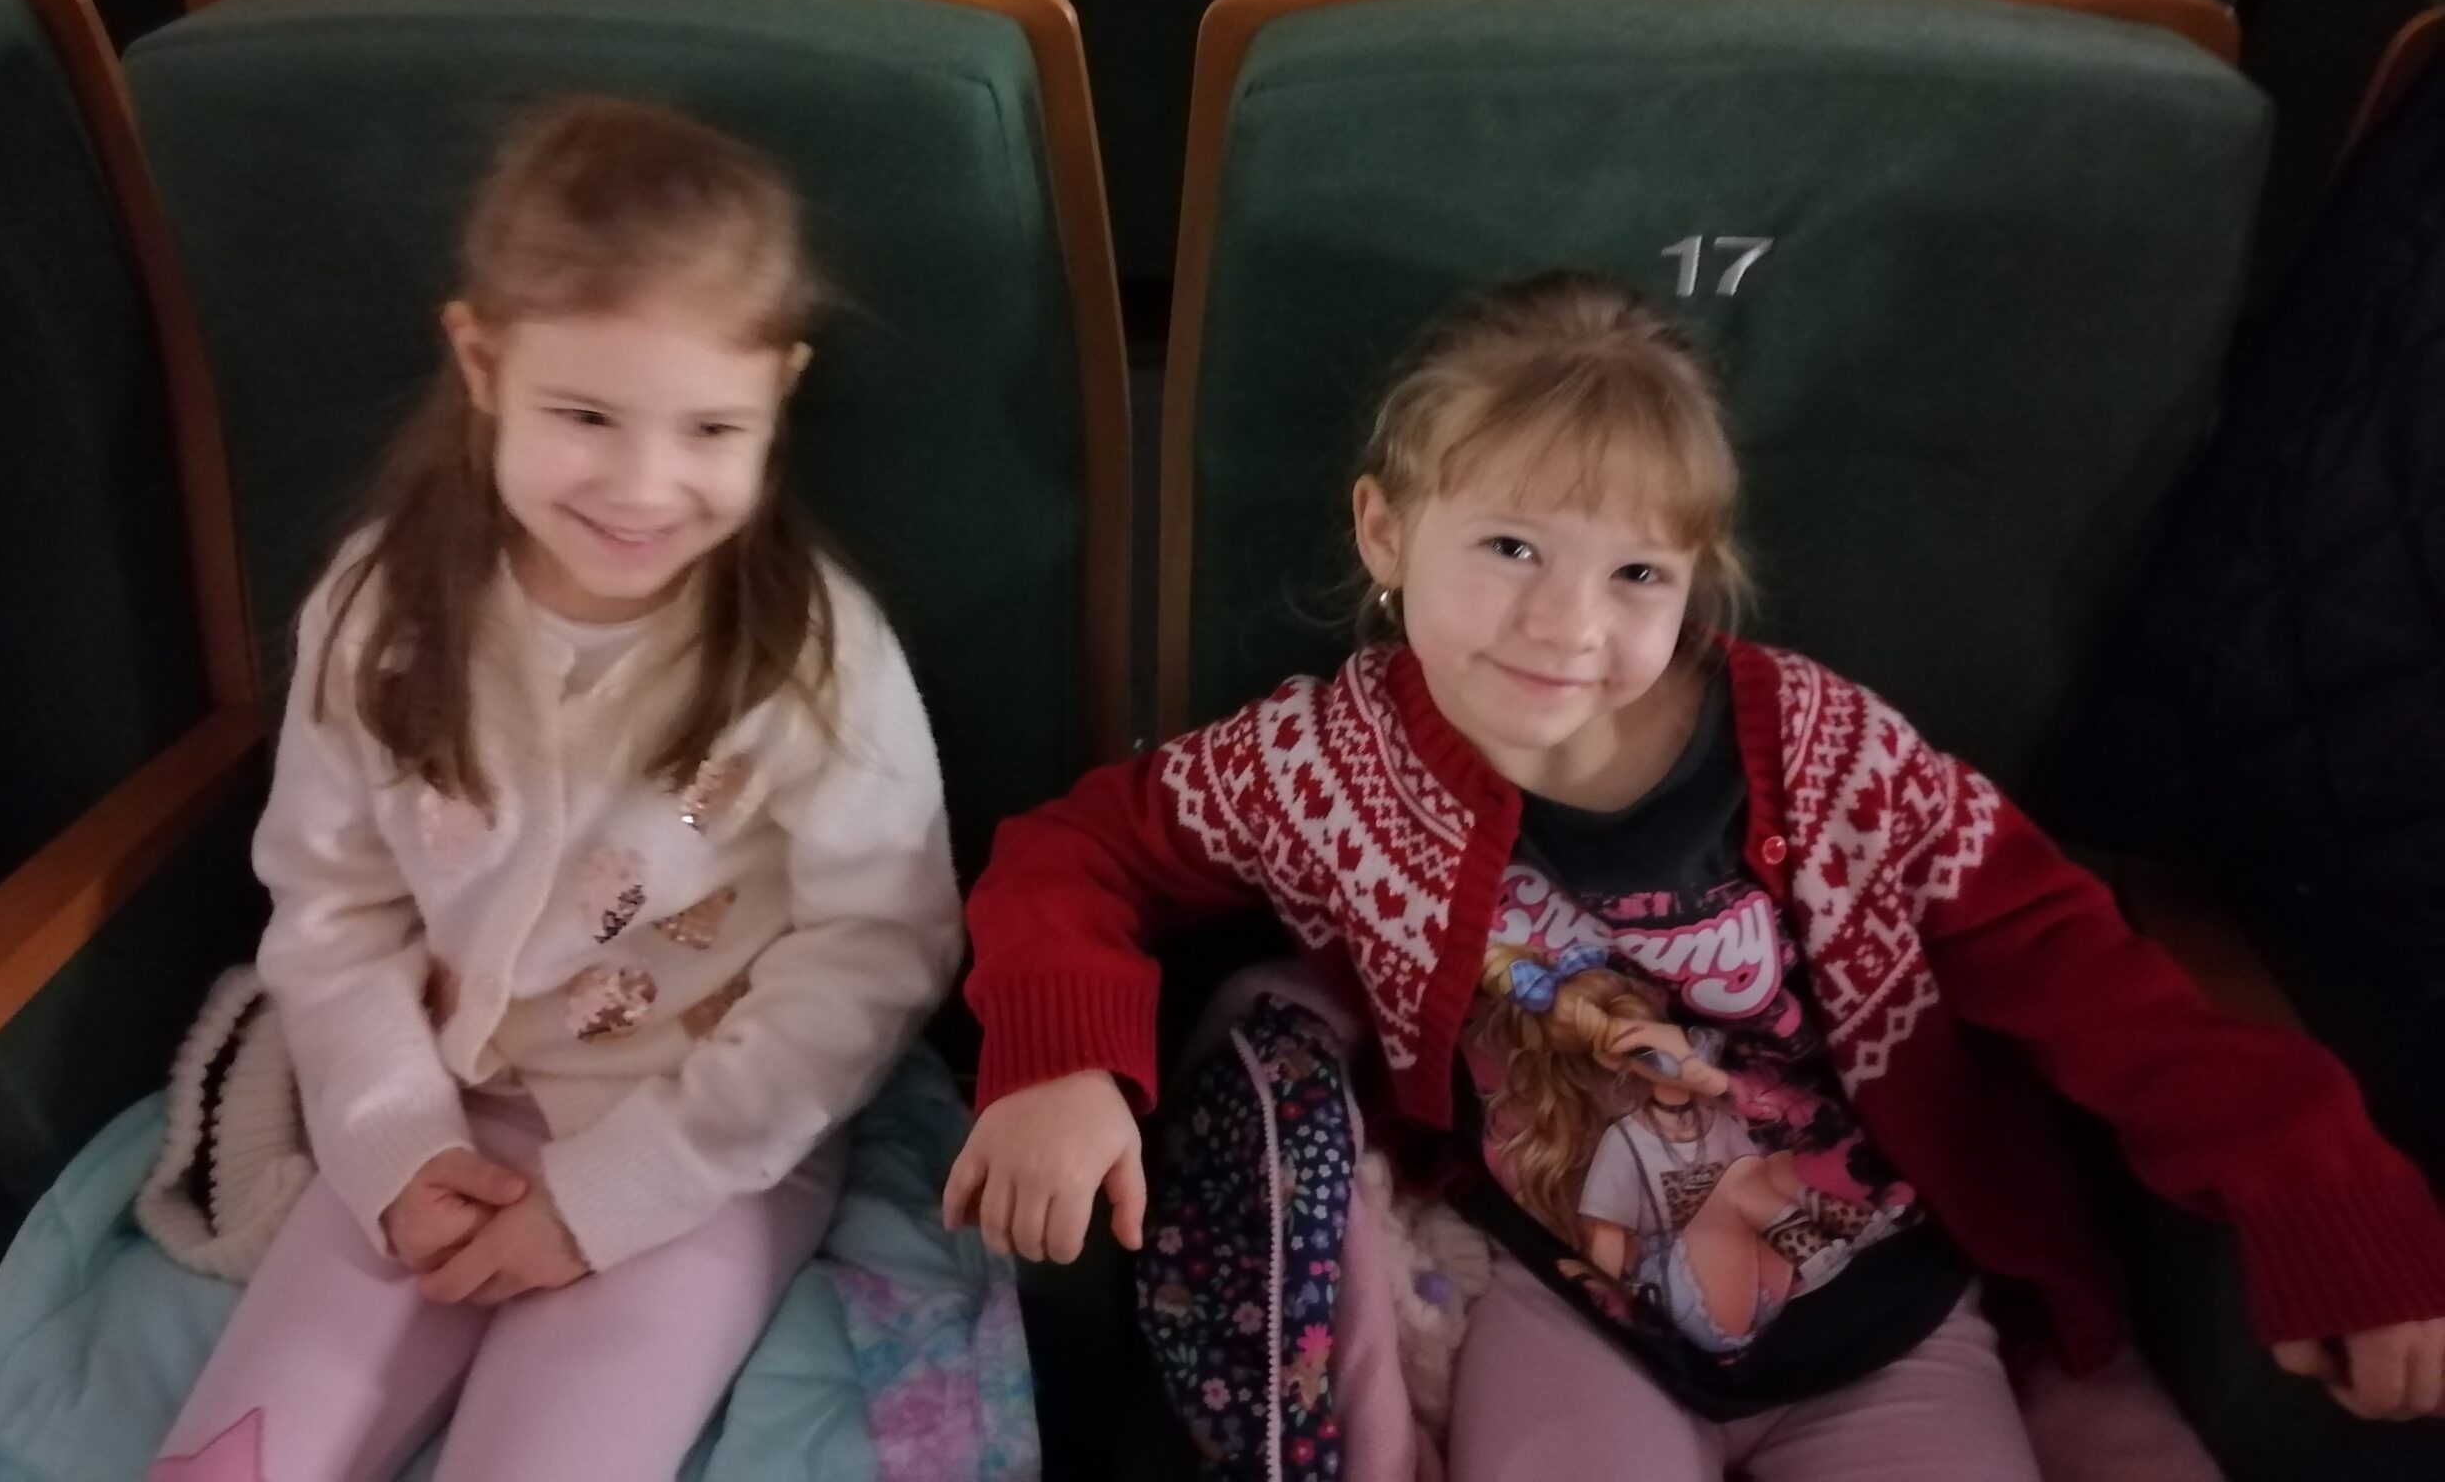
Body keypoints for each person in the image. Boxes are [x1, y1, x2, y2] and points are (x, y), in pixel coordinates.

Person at [947, 270, 2445, 1480]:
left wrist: (2323, 1196)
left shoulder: (1832, 755)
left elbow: (2096, 980)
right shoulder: (1328, 760)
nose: (1567, 628)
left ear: (1695, 581)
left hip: (1892, 1323)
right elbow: (1082, 849)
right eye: (1511, 546)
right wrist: (1064, 1059)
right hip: (1572, 1315)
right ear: (1385, 531)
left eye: (1635, 575)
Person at [150, 98, 962, 1482]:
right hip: (436, 1103)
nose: (645, 487)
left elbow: (877, 949)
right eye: (586, 415)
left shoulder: (813, 656)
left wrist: (619, 1194)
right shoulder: (380, 610)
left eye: (711, 428)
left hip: (700, 1144)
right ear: (482, 363)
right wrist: (394, 1143)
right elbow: (330, 903)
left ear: (778, 396)